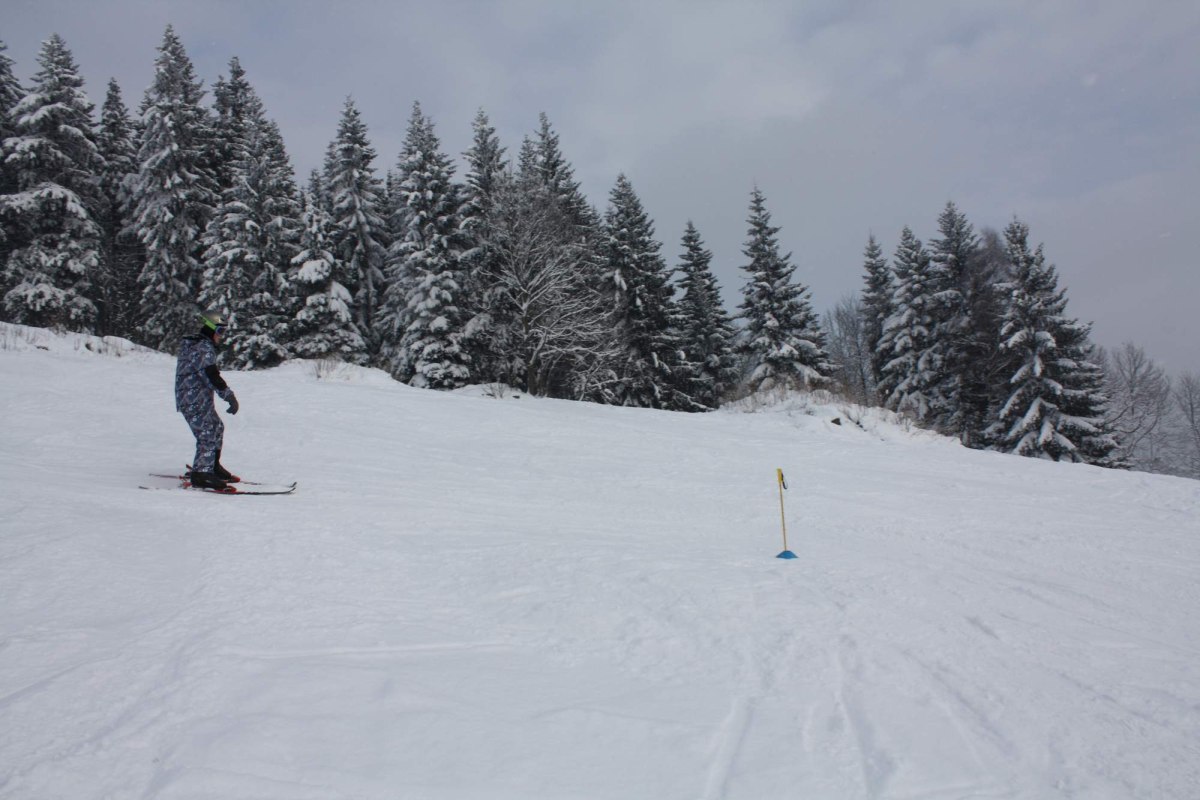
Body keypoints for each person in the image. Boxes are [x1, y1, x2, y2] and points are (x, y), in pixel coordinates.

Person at [175, 310, 240, 490]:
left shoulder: (201, 346)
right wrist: (229, 396)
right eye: (220, 331)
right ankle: (201, 474)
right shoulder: (202, 349)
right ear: (210, 330)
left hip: (198, 398)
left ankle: (212, 466)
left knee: (216, 427)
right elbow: (211, 375)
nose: (221, 336)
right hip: (192, 400)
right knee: (207, 433)